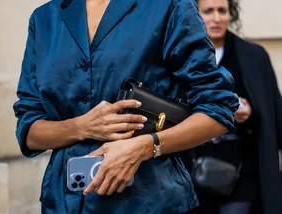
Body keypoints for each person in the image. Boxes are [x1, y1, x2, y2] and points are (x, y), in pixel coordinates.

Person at [13, 0, 239, 213]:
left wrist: (145, 147)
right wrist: (80, 127)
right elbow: (29, 132)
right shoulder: (44, 19)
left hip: (149, 201)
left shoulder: (169, 6)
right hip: (64, 202)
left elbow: (219, 107)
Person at [187, 0, 282, 214]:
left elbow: (271, 116)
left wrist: (248, 114)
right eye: (208, 11)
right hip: (194, 172)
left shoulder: (253, 56)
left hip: (241, 174)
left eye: (222, 10)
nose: (217, 18)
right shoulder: (184, 56)